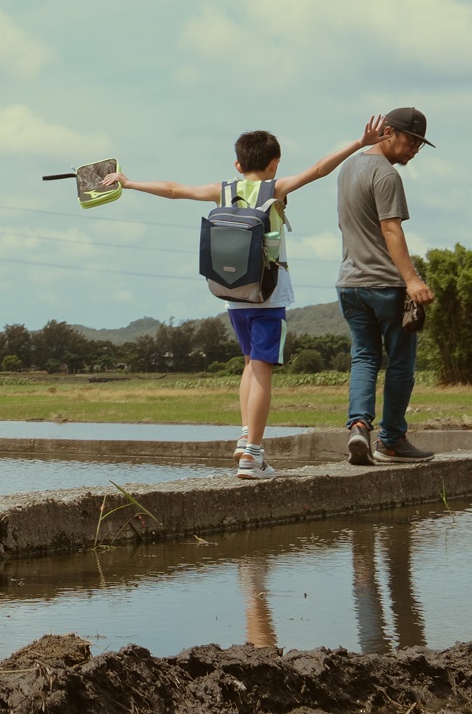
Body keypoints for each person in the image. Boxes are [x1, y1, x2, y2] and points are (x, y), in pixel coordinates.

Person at [113, 118, 385, 481]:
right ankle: (253, 455)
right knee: (262, 368)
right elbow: (320, 169)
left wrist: (129, 182)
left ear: (237, 164)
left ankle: (246, 437)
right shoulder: (275, 188)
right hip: (268, 296)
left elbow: (175, 189)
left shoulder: (223, 190)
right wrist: (358, 143)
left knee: (249, 365)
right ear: (275, 163)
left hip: (231, 293)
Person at [336, 105, 437, 465]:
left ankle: (359, 427)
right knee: (400, 364)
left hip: (350, 283)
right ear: (389, 133)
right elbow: (391, 229)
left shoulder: (349, 168)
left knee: (364, 357)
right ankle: (391, 441)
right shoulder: (387, 175)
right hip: (385, 285)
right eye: (412, 141)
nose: (414, 149)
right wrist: (412, 280)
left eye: (420, 144)